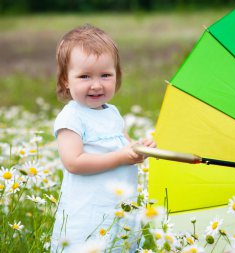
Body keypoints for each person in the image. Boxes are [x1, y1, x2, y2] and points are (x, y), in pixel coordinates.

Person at [50, 24, 156, 252]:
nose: (96, 84)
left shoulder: (112, 113)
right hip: (87, 216)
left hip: (117, 209)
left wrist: (140, 149)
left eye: (105, 75)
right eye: (85, 76)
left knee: (118, 245)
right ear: (66, 80)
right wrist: (120, 157)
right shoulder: (72, 116)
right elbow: (74, 162)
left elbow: (125, 146)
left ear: (117, 76)